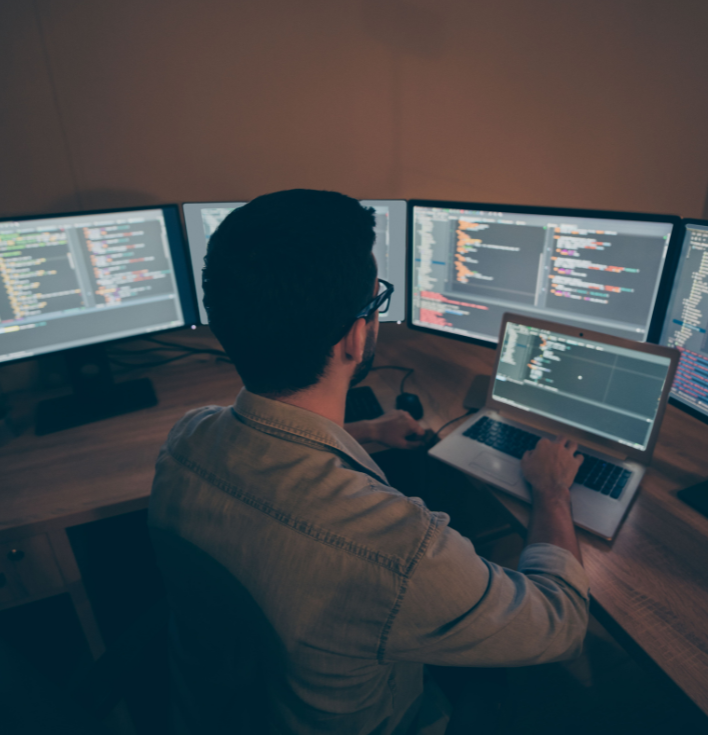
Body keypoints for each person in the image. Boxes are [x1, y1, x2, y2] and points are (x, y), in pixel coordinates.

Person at [148, 190, 589, 735]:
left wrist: (367, 431)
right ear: (357, 336)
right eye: (376, 300)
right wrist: (551, 492)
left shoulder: (185, 440)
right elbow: (560, 622)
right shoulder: (400, 550)